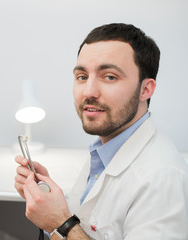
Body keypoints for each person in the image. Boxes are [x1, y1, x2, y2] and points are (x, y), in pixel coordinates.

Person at [14, 23, 188, 239]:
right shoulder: (106, 147)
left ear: (146, 89)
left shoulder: (162, 179)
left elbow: (70, 228)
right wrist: (49, 206)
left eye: (110, 77)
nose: (89, 91)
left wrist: (60, 222)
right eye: (82, 76)